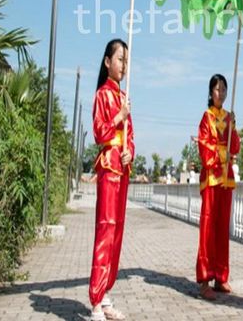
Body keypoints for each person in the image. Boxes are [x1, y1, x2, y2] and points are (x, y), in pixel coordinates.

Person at [88, 39, 134, 321]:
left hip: (123, 168)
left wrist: (130, 152)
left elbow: (130, 135)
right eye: (120, 59)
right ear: (107, 62)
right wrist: (119, 116)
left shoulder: (124, 97)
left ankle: (106, 295)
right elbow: (99, 132)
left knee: (117, 234)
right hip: (108, 167)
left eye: (126, 61)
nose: (123, 65)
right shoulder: (103, 95)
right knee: (105, 231)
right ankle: (95, 300)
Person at [196, 73, 240, 300]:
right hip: (212, 178)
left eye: (224, 89)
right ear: (210, 92)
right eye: (217, 89)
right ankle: (204, 279)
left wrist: (233, 125)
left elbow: (236, 147)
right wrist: (223, 155)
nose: (221, 93)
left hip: (226, 180)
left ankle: (221, 277)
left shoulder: (227, 117)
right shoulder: (207, 118)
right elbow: (205, 149)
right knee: (208, 229)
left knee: (223, 229)